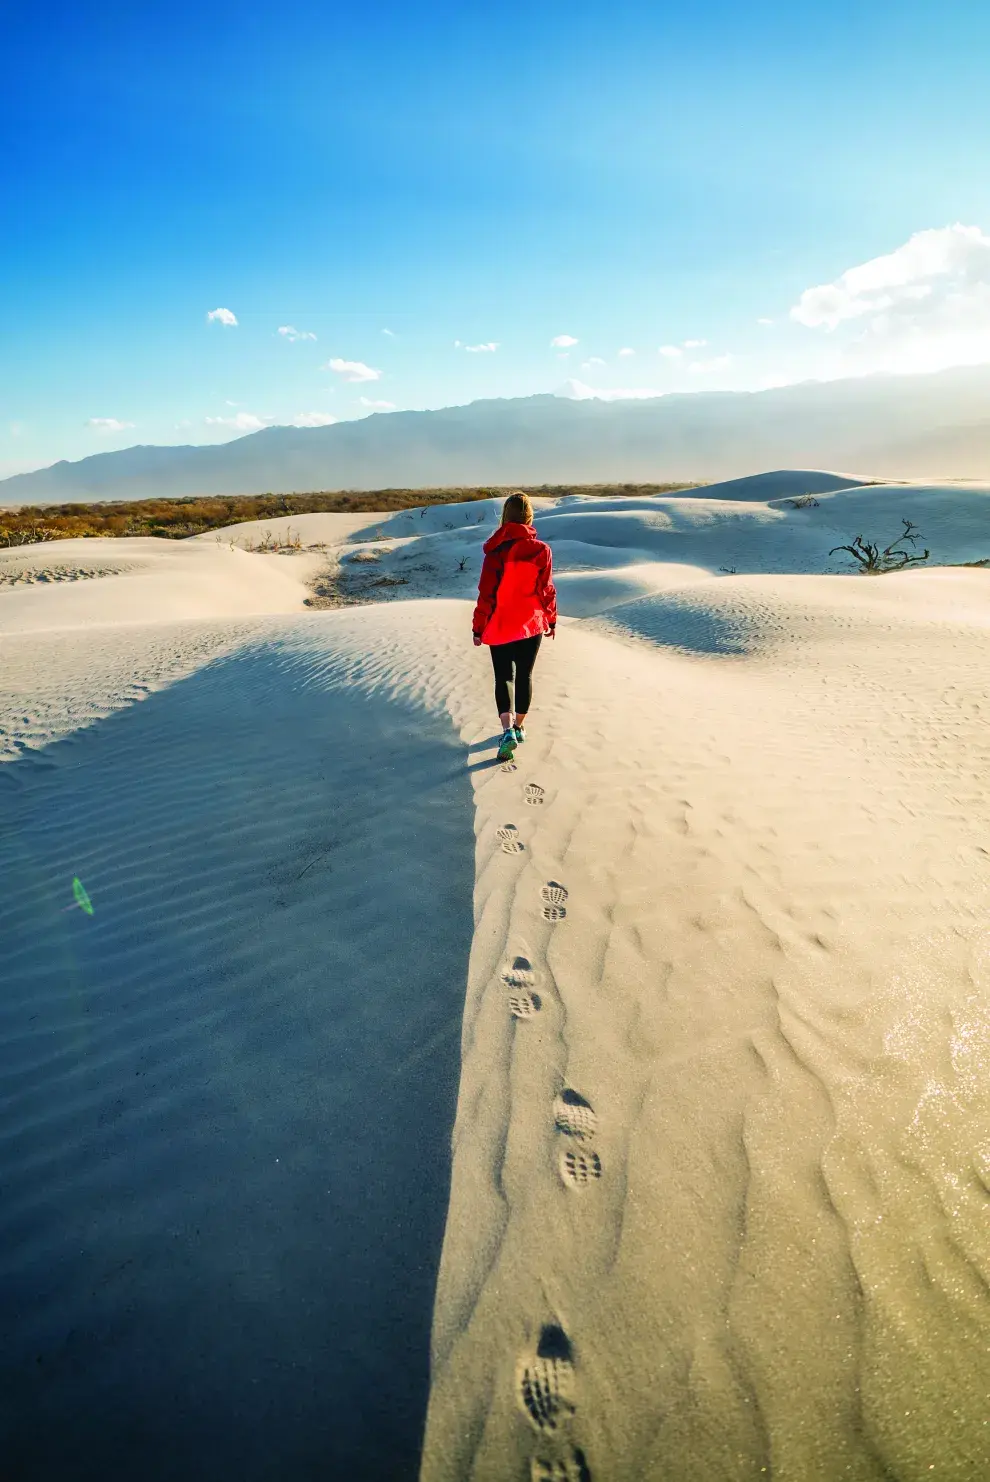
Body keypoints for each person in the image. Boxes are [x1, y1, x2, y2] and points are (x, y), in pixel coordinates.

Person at [472, 492, 557, 761]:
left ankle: (507, 731)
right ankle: (520, 728)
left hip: (500, 625)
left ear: (505, 517)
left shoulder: (495, 552)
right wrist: (551, 619)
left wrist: (478, 628)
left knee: (503, 677)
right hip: (530, 624)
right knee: (525, 676)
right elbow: (546, 590)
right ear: (529, 517)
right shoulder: (542, 551)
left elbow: (486, 595)